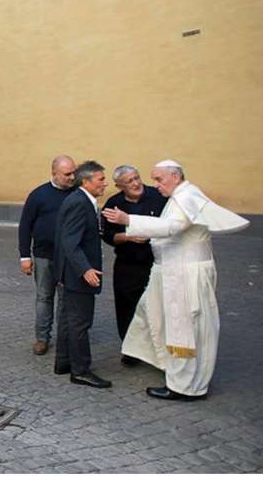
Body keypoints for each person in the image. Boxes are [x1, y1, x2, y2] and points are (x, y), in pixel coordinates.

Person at [102, 160, 249, 400]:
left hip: (183, 275)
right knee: (150, 314)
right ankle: (169, 368)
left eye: (159, 179)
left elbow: (173, 226)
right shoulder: (179, 195)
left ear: (175, 177)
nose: (155, 185)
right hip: (172, 271)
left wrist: (129, 220)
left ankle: (184, 387)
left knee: (185, 329)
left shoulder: (185, 197)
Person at [100, 165, 167, 366]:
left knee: (158, 305)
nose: (136, 183)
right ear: (119, 186)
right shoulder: (113, 204)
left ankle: (159, 350)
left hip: (157, 260)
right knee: (126, 306)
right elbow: (108, 235)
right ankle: (130, 349)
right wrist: (127, 237)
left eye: (137, 178)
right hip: (128, 263)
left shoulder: (158, 196)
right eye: (129, 181)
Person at [53, 160, 111, 388]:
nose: (105, 184)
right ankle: (80, 370)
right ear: (86, 182)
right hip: (77, 275)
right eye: (101, 179)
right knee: (80, 322)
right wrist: (85, 269)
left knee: (69, 320)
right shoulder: (79, 202)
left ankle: (64, 362)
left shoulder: (81, 200)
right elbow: (70, 242)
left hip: (72, 273)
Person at [18, 155, 76, 355]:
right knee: (44, 297)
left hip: (70, 257)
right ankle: (42, 338)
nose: (72, 177)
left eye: (73, 173)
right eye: (67, 174)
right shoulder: (38, 195)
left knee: (66, 299)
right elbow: (25, 226)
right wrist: (24, 256)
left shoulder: (77, 193)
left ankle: (65, 338)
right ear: (54, 173)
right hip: (44, 255)